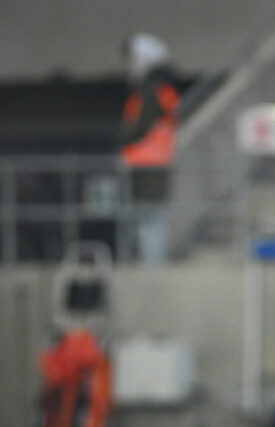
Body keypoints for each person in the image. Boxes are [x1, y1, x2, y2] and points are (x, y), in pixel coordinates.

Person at [120, 33, 181, 262]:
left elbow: (140, 126)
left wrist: (120, 140)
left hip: (148, 164)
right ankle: (151, 260)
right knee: (149, 218)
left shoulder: (152, 91)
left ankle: (152, 263)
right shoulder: (160, 91)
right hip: (153, 162)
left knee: (149, 218)